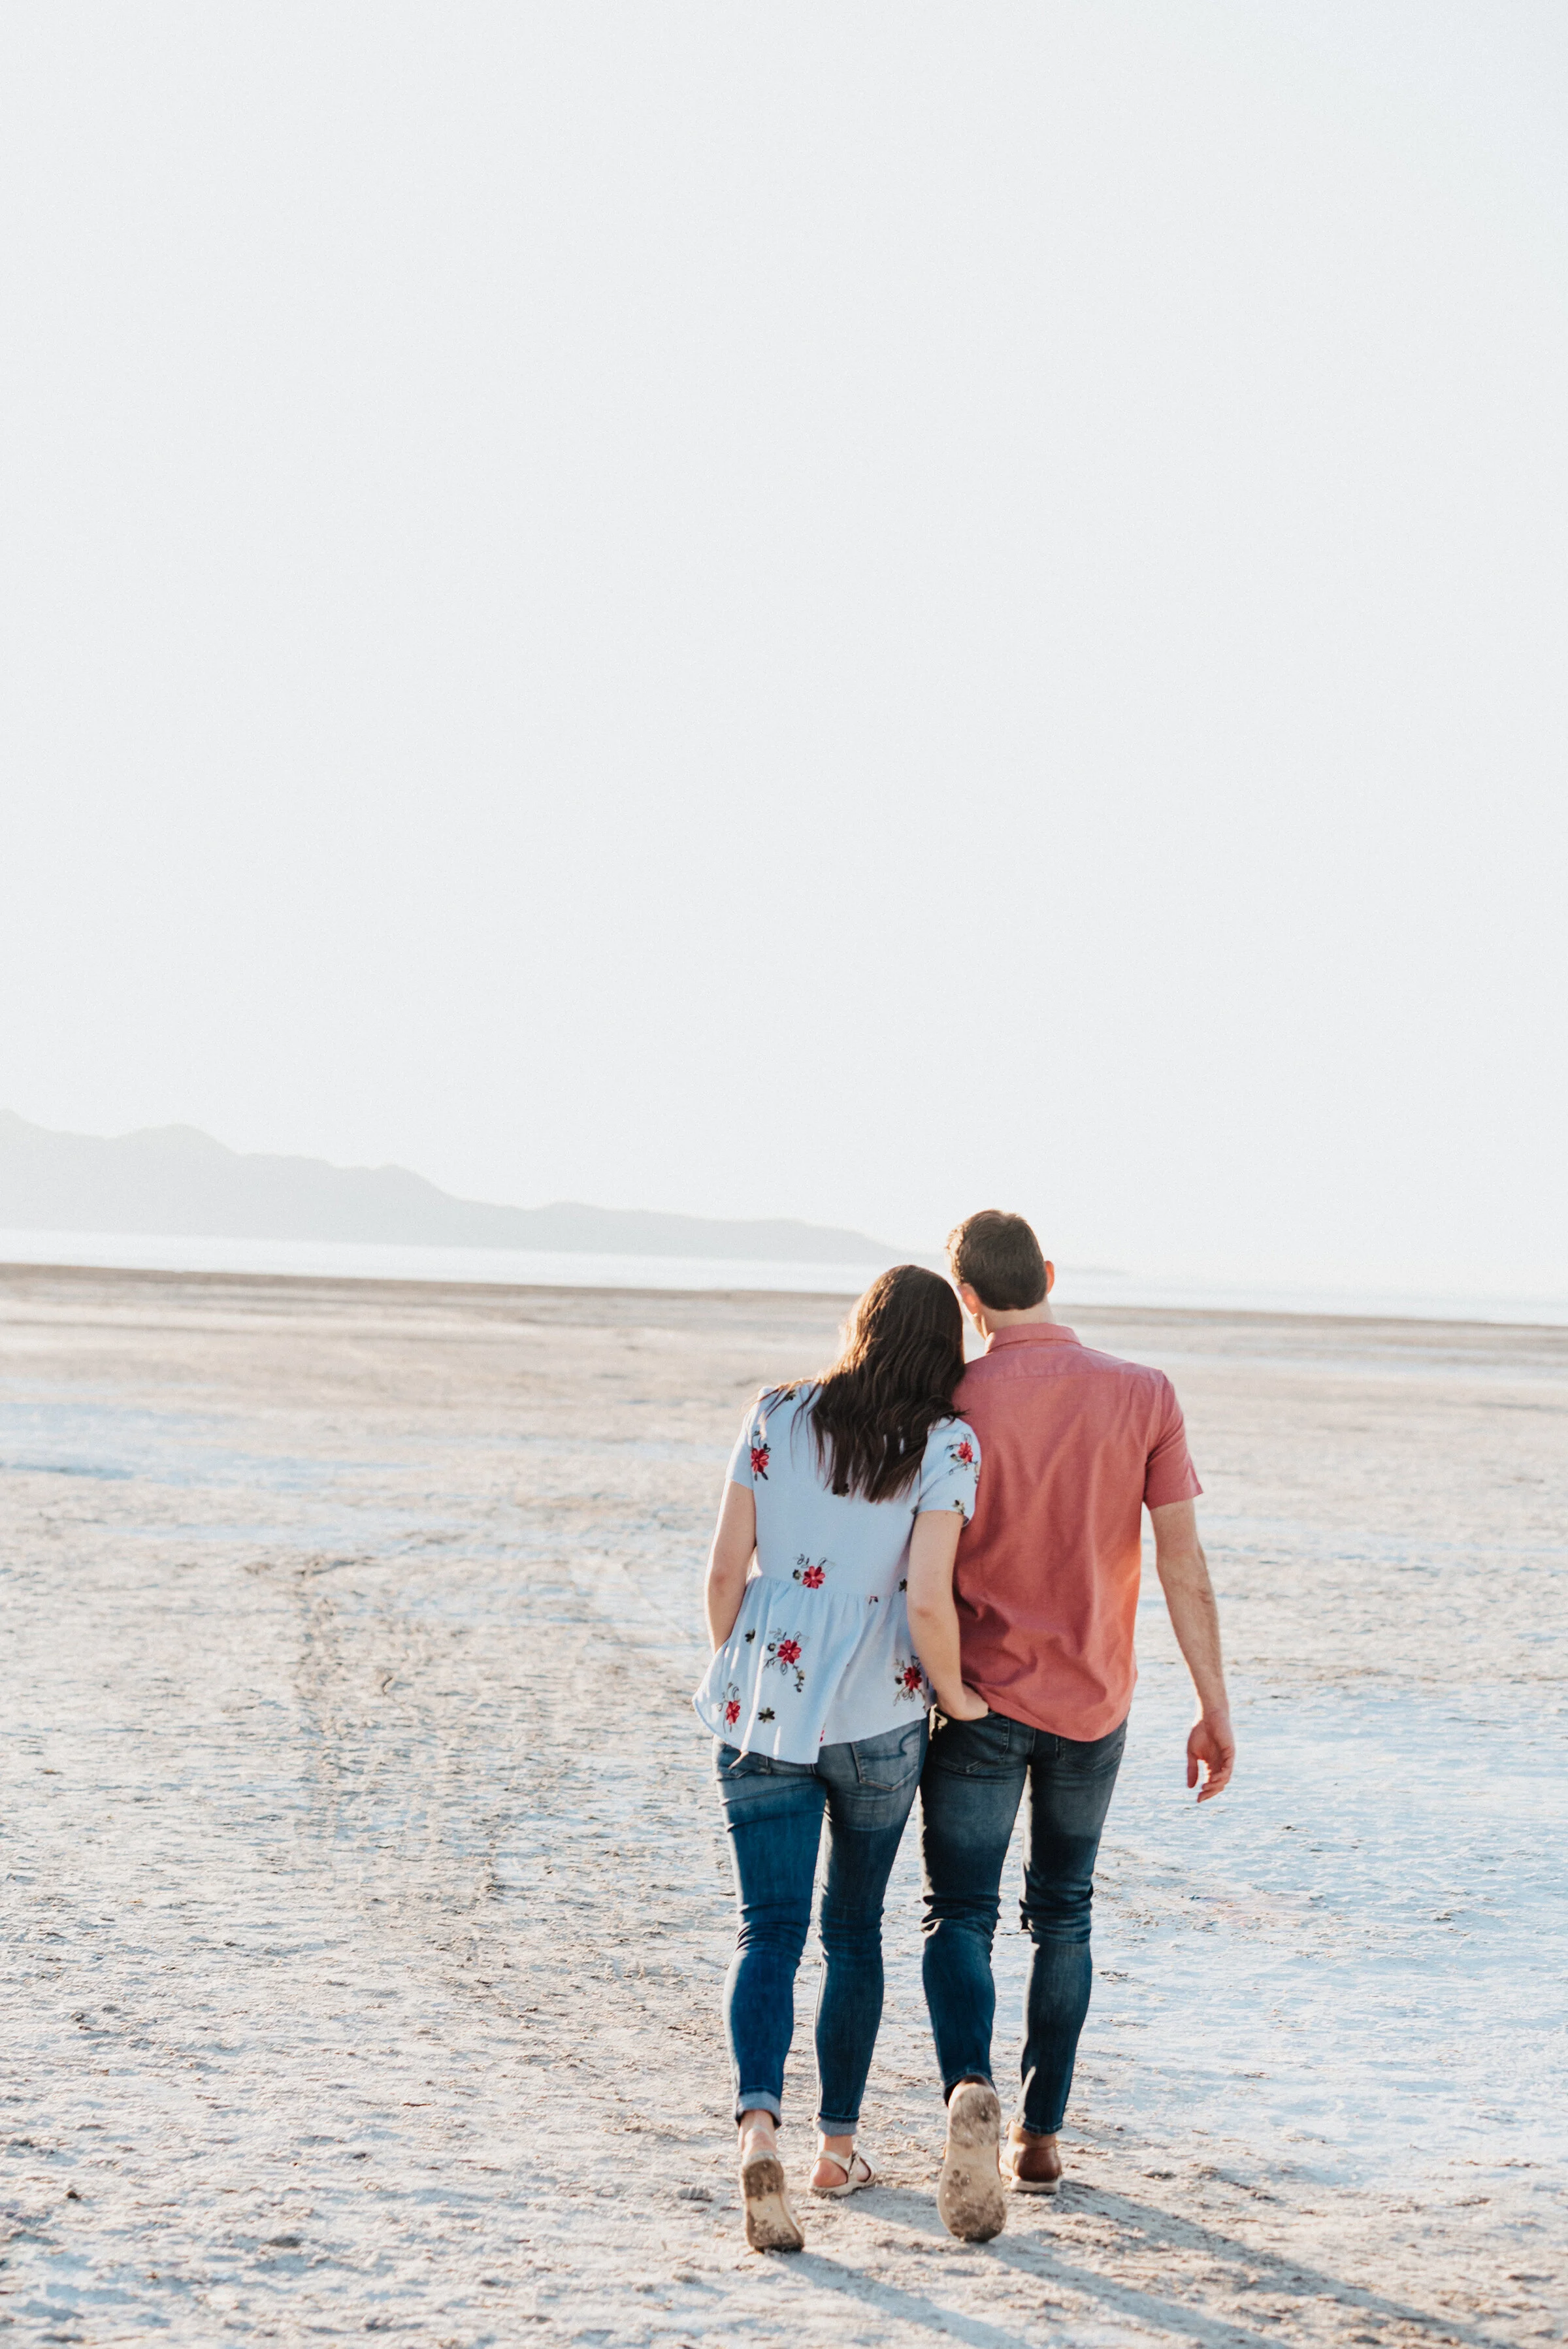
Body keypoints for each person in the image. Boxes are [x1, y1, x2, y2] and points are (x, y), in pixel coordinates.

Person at [908, 1209, 1235, 2242]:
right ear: (1049, 1273)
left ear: (968, 1298)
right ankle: (1041, 2133)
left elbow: (910, 1561)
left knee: (959, 1910)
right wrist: (1213, 1702)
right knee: (1066, 1911)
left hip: (978, 1700)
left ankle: (970, 2084)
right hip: (1097, 1704)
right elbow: (1182, 1560)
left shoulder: (950, 1398)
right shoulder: (1145, 1393)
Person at [694, 1264, 987, 2254]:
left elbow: (726, 1568)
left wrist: (740, 1661)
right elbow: (929, 1601)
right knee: (854, 1931)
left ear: (859, 1328)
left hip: (764, 1705)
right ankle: (835, 2149)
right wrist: (957, 1696)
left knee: (765, 1929)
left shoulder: (776, 1412)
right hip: (878, 1714)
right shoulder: (947, 1440)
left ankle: (757, 2130)